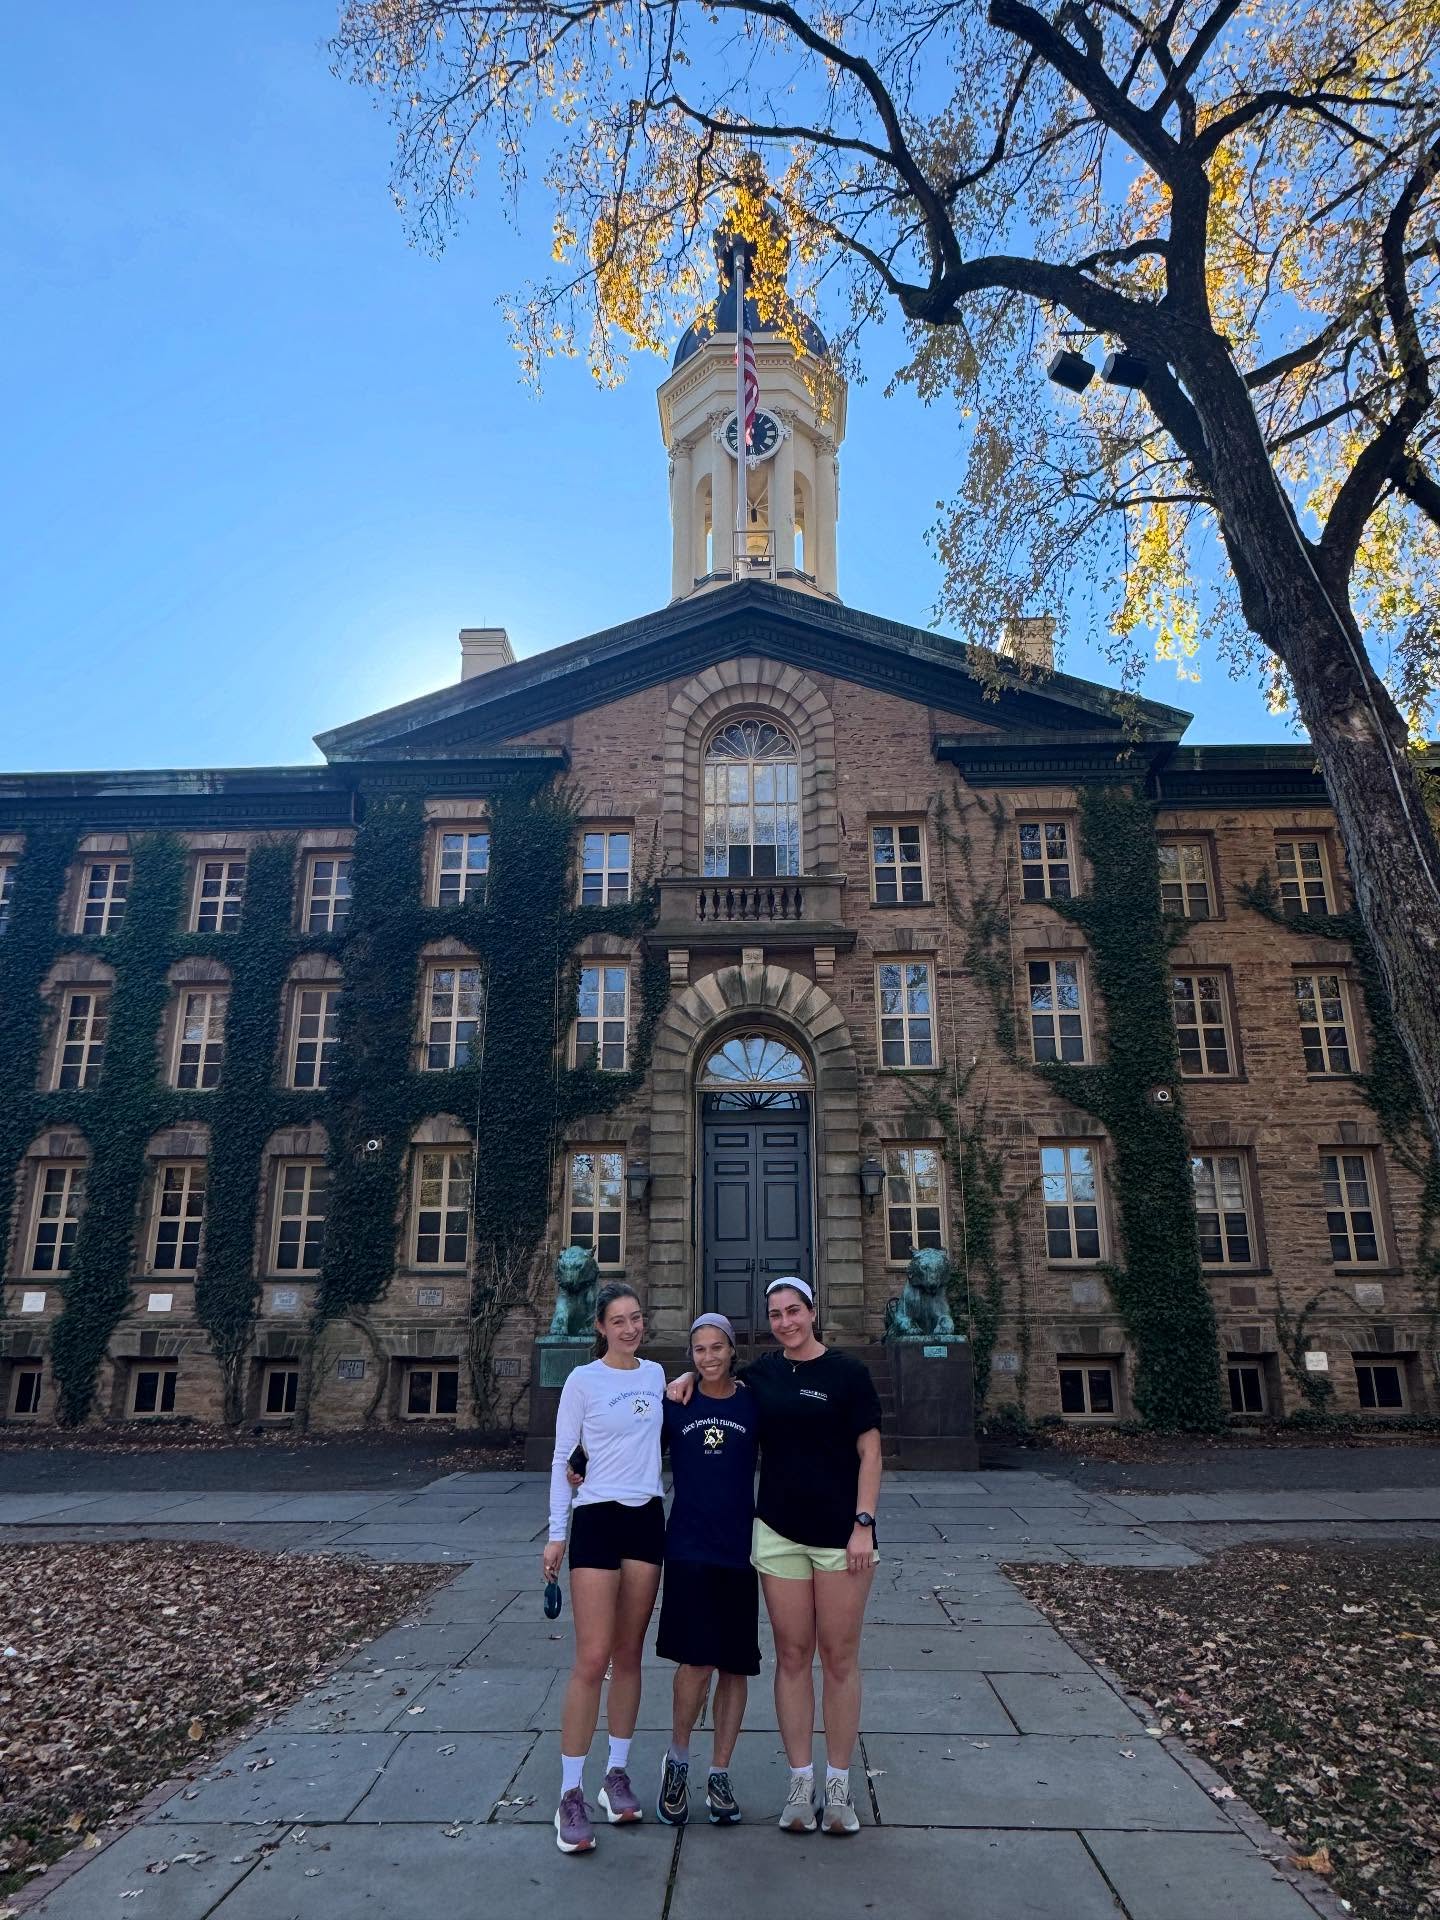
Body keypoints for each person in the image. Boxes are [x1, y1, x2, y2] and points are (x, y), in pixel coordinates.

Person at [668, 1275, 883, 1837]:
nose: (785, 1322)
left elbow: (870, 1452)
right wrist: (686, 1376)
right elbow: (717, 1377)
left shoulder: (848, 1373)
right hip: (779, 1534)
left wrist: (863, 1524)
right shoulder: (762, 1375)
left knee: (839, 1658)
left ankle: (839, 1787)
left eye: (794, 1311)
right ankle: (800, 1783)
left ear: (813, 1312)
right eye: (776, 1314)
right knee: (791, 1656)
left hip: (840, 1536)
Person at [543, 1281, 665, 1855]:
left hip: (646, 1517)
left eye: (636, 1318)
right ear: (600, 1327)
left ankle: (616, 1773)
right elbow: (562, 1459)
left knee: (629, 1654)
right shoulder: (582, 1380)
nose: (630, 1328)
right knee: (592, 1658)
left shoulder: (657, 1375)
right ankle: (570, 1792)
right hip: (596, 1516)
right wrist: (557, 1533)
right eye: (619, 1320)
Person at [654, 1311, 760, 1828]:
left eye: (717, 1347)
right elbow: (632, 1448)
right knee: (695, 1661)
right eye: (699, 1349)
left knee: (734, 1665)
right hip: (689, 1547)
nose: (709, 1356)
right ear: (690, 1355)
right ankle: (677, 1762)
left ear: (732, 1350)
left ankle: (720, 1771)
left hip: (739, 1550)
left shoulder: (753, 1401)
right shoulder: (676, 1403)